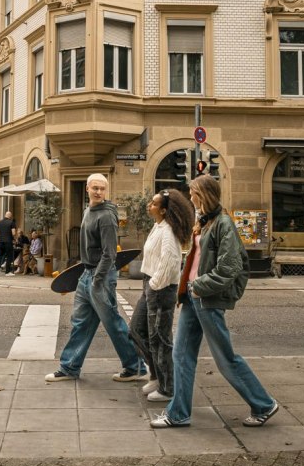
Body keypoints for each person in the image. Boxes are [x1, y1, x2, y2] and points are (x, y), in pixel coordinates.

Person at [152, 174, 278, 429]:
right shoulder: (205, 221)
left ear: (204, 194)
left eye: (193, 192)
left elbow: (230, 267)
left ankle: (263, 404)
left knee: (225, 358)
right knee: (182, 355)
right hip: (192, 297)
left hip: (205, 298)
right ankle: (178, 414)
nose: (190, 197)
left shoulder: (223, 223)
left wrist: (199, 286)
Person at [46, 174, 145, 383]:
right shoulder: (88, 211)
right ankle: (70, 367)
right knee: (80, 322)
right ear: (87, 190)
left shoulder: (107, 216)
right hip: (87, 273)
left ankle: (136, 367)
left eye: (102, 188)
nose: (99, 192)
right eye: (95, 188)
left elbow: (110, 254)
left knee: (113, 324)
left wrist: (97, 279)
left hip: (100, 276)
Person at [130, 188, 194, 403]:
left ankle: (168, 388)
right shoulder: (158, 226)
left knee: (160, 339)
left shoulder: (167, 232)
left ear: (164, 210)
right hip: (150, 285)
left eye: (155, 203)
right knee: (137, 330)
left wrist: (155, 284)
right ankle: (157, 376)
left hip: (160, 288)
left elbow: (171, 261)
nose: (150, 205)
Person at [0, 211, 18, 275]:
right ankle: (7, 272)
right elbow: (13, 233)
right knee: (9, 256)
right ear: (10, 215)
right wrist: (15, 238)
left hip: (0, 241)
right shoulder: (12, 222)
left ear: (5, 215)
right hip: (8, 242)